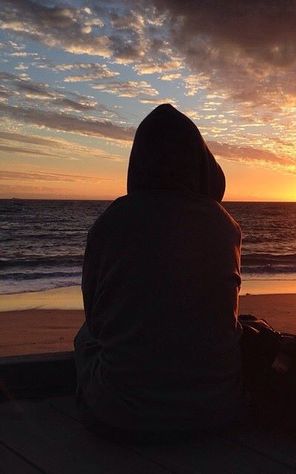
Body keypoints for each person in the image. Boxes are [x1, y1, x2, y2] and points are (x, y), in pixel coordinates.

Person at [74, 104, 244, 442]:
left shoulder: (112, 222)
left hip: (119, 418)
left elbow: (95, 317)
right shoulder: (225, 226)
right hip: (218, 413)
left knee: (85, 337)